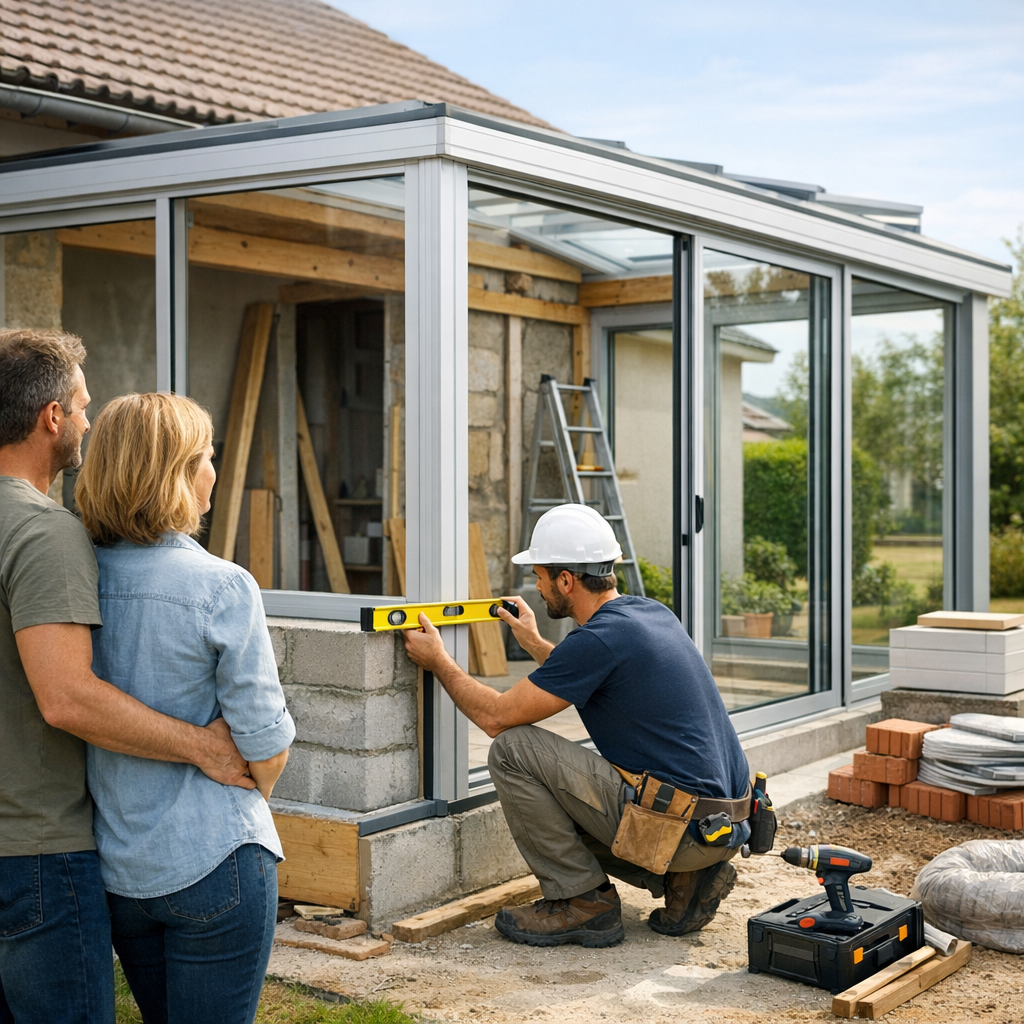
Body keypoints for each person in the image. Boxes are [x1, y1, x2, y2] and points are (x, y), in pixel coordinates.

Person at [0, 329, 254, 1024]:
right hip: (35, 848)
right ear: (52, 416)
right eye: (82, 407)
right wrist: (204, 746)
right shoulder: (43, 532)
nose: (88, 421)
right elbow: (66, 697)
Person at [403, 503, 752, 948]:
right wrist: (533, 642)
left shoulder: (599, 640)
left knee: (514, 750)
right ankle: (688, 883)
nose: (538, 586)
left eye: (541, 577)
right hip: (719, 827)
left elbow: (495, 717)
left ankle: (584, 903)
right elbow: (584, 675)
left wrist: (439, 661)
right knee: (573, 780)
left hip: (682, 833)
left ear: (566, 580)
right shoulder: (648, 614)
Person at [75, 392, 296, 1024]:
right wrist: (239, 767)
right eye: (204, 457)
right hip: (216, 858)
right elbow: (265, 749)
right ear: (171, 474)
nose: (214, 472)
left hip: (118, 867)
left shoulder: (71, 576)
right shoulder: (221, 586)